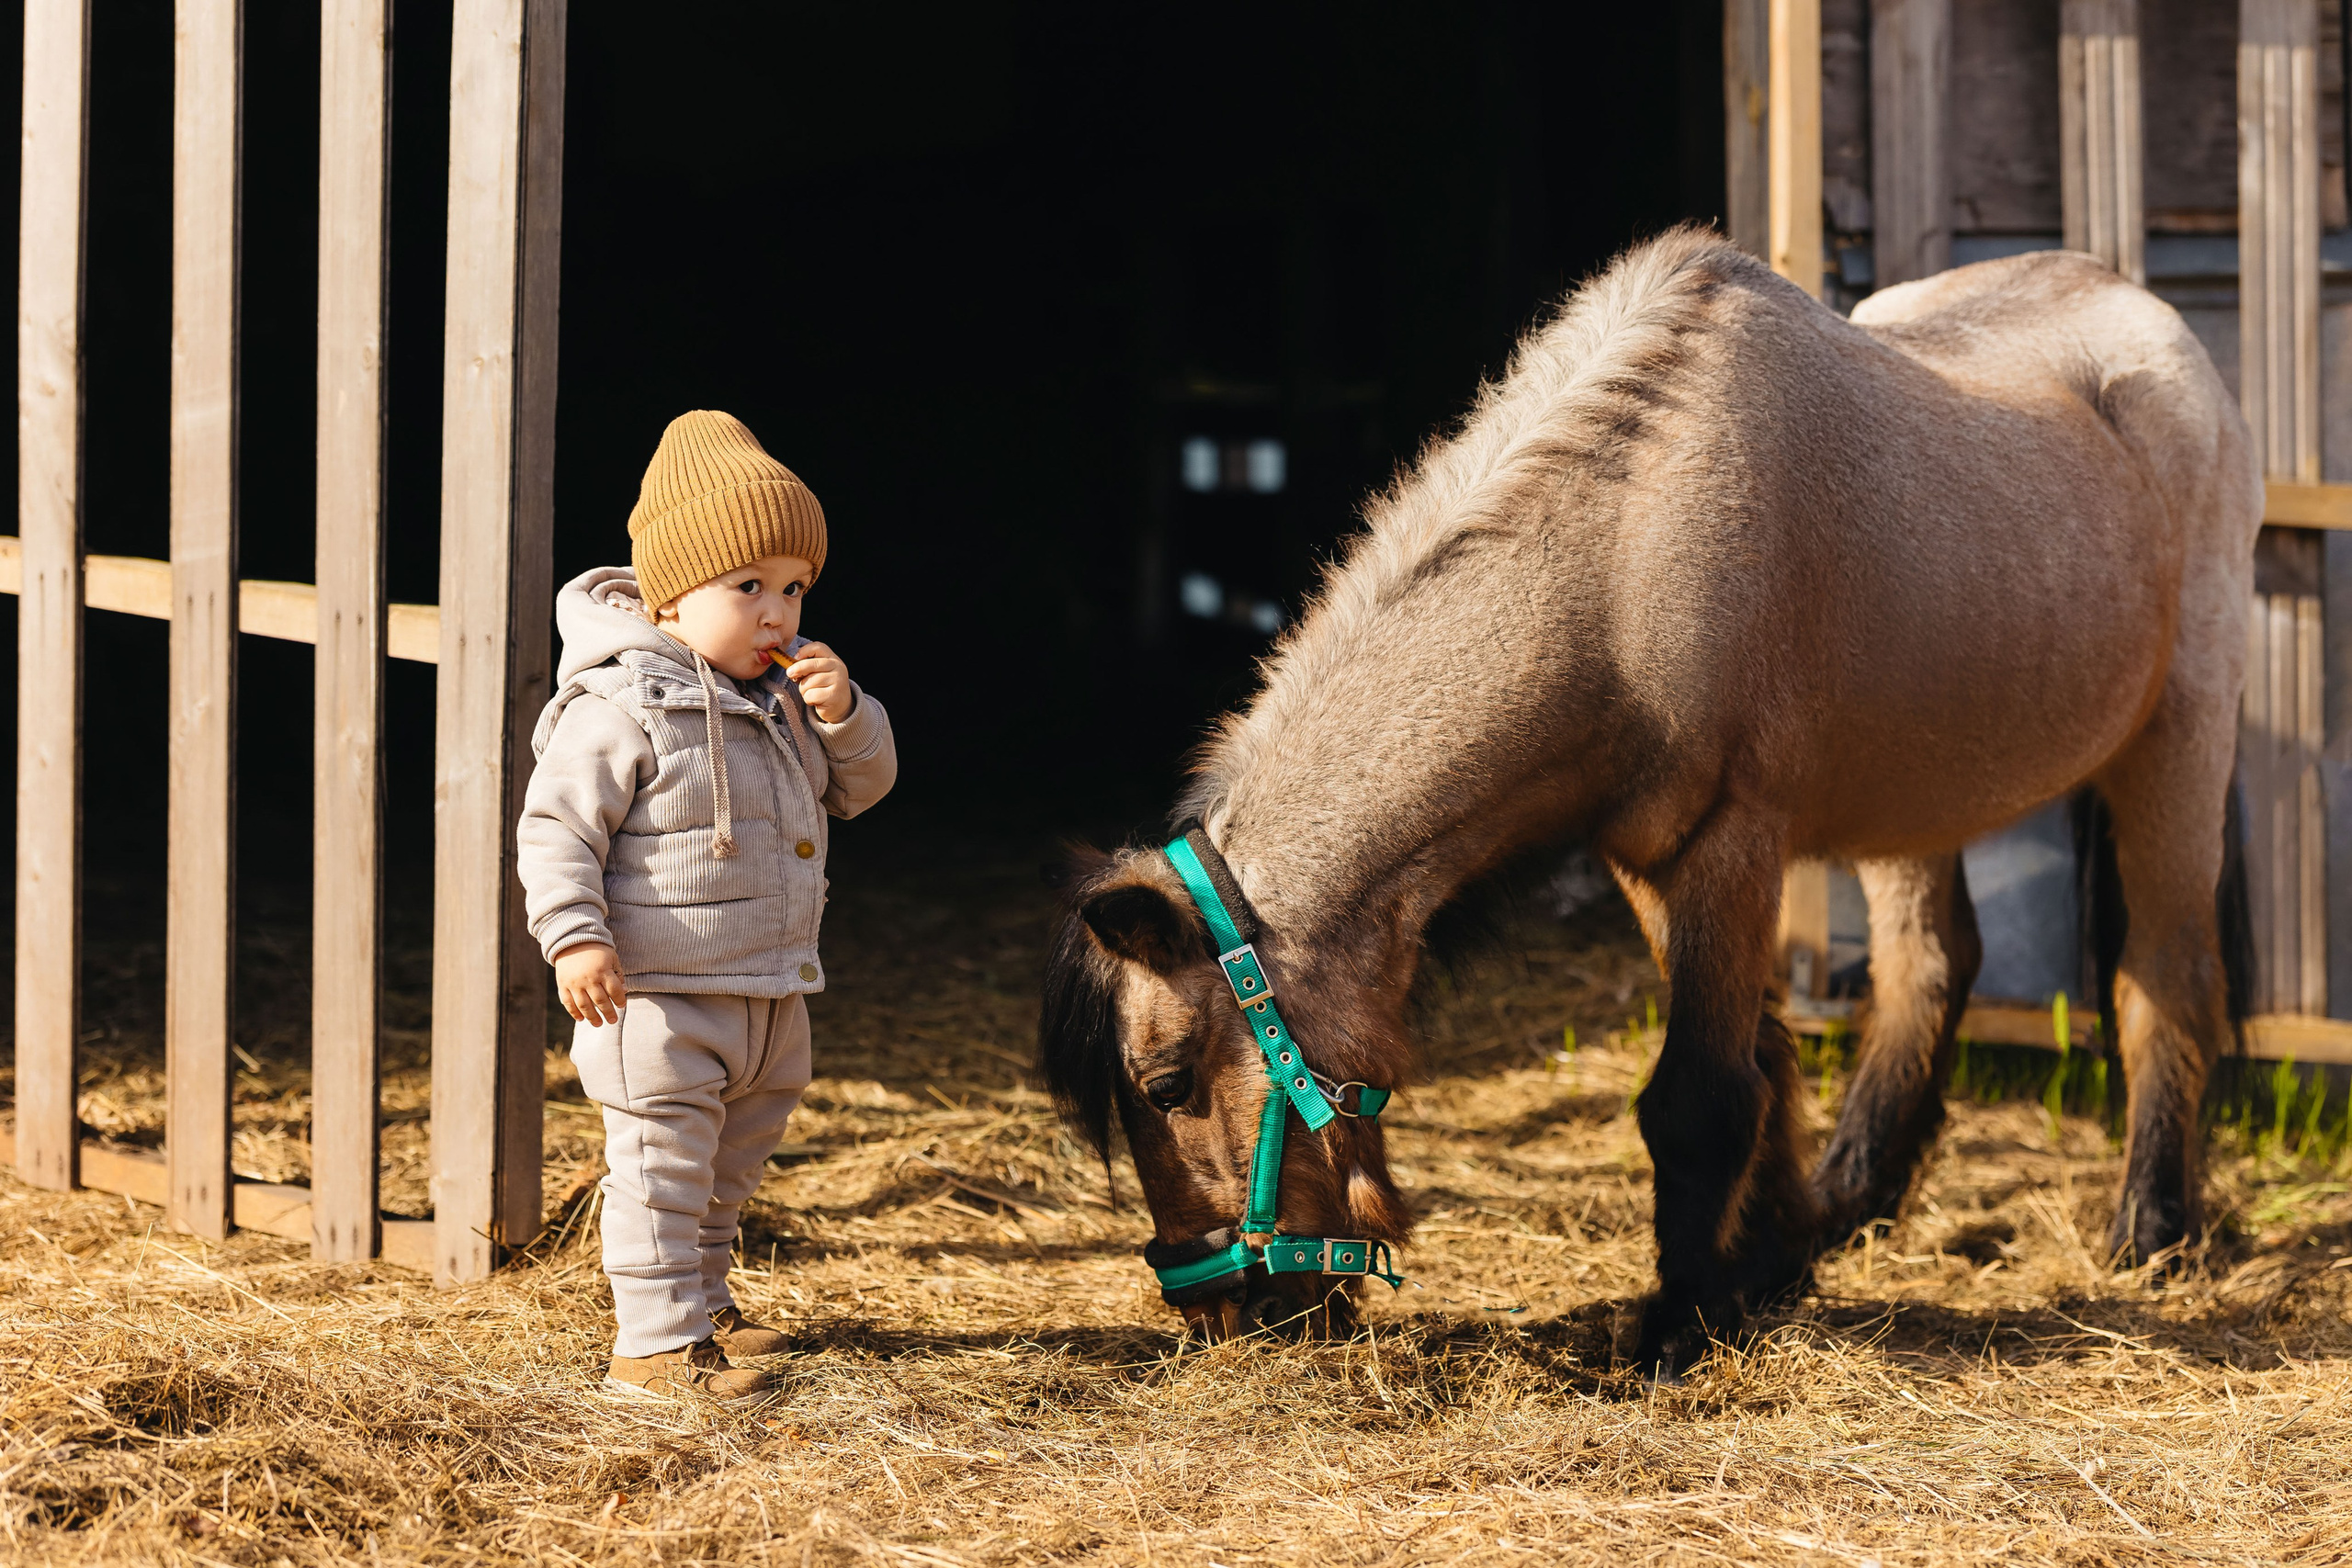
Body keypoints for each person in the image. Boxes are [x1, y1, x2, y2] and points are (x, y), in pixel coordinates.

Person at [518, 410, 897, 1404]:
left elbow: (862, 789)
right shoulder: (618, 706)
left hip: (768, 986)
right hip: (657, 991)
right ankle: (651, 1347)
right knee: (660, 1165)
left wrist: (845, 717)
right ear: (670, 597)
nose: (778, 612)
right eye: (749, 588)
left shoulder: (783, 706)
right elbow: (557, 829)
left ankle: (703, 1304)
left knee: (729, 1167)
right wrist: (574, 939)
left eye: (795, 588)